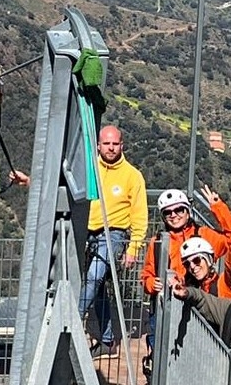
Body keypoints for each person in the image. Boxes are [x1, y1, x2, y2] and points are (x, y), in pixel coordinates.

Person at [139, 187, 231, 375]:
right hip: (166, 306)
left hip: (197, 305)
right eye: (168, 212)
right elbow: (147, 274)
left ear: (187, 211)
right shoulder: (158, 241)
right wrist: (152, 284)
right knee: (161, 355)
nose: (174, 215)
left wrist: (218, 207)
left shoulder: (204, 235)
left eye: (179, 210)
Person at [81, 125, 148, 359]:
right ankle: (108, 341)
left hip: (114, 233)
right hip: (84, 231)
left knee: (95, 277)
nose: (111, 148)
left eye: (115, 144)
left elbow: (140, 215)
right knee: (97, 288)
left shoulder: (132, 175)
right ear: (98, 145)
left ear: (122, 145)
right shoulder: (89, 168)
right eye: (106, 144)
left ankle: (74, 317)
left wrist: (133, 248)